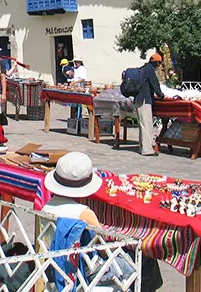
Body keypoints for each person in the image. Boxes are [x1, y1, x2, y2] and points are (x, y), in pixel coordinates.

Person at [42, 152, 163, 291]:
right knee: (145, 257)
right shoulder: (84, 213)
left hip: (57, 263)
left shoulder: (46, 207)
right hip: (89, 271)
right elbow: (104, 250)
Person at [133, 54, 165, 156]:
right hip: (144, 100)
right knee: (146, 125)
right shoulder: (150, 70)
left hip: (138, 99)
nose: (159, 66)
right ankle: (147, 150)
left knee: (143, 124)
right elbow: (155, 84)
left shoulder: (143, 68)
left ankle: (142, 147)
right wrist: (161, 95)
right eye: (159, 63)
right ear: (156, 63)